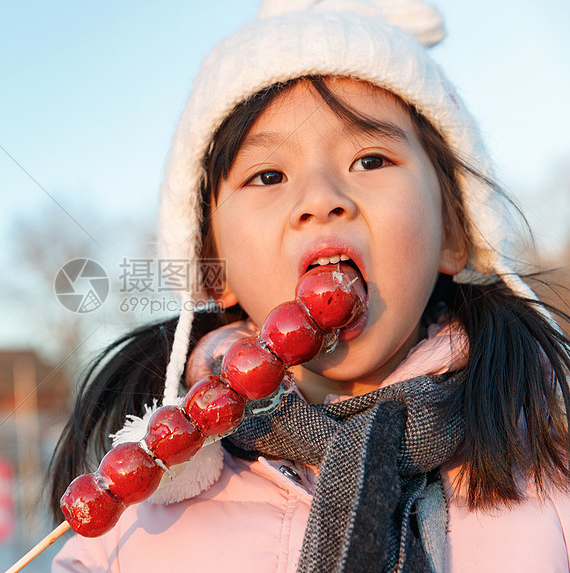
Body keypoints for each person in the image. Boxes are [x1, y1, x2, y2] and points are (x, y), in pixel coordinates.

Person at [47, 1, 570, 571]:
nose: (321, 199)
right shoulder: (136, 525)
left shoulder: (548, 465)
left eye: (370, 160)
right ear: (213, 269)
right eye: (268, 176)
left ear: (453, 231)